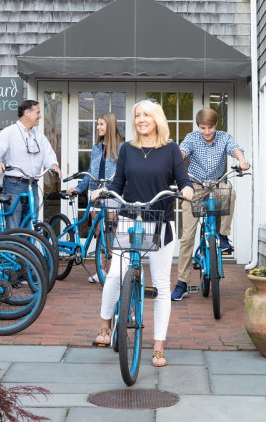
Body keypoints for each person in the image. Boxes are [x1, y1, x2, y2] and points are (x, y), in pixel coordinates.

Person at [94, 99, 193, 367]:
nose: (141, 120)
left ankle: (158, 347)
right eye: (137, 115)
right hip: (130, 219)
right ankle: (105, 325)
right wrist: (104, 193)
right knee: (115, 275)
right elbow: (118, 182)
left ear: (157, 119)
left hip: (160, 221)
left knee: (161, 286)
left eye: (146, 115)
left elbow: (182, 179)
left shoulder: (171, 149)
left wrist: (186, 189)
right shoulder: (127, 148)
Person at [171, 108, 250, 301]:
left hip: (217, 183)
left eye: (210, 127)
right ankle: (182, 282)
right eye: (203, 127)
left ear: (216, 126)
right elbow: (182, 152)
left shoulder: (224, 137)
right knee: (187, 236)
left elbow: (235, 149)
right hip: (194, 186)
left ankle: (222, 235)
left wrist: (242, 160)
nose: (207, 132)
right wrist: (176, 161)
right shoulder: (192, 138)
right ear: (198, 126)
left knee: (230, 192)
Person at [66, 112, 123, 283]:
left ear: (110, 126)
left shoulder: (121, 147)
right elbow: (90, 172)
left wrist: (111, 188)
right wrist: (78, 187)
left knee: (111, 231)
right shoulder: (96, 147)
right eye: (97, 124)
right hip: (94, 193)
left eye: (101, 124)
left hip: (112, 193)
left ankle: (112, 270)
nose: (97, 127)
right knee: (99, 231)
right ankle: (102, 270)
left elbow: (122, 173)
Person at [0, 99, 60, 229]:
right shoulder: (9, 132)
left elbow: (48, 154)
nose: (40, 116)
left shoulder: (39, 135)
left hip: (33, 185)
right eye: (37, 112)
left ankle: (27, 250)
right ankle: (13, 249)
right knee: (14, 226)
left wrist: (54, 165)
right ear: (27, 113)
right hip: (14, 185)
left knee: (30, 225)